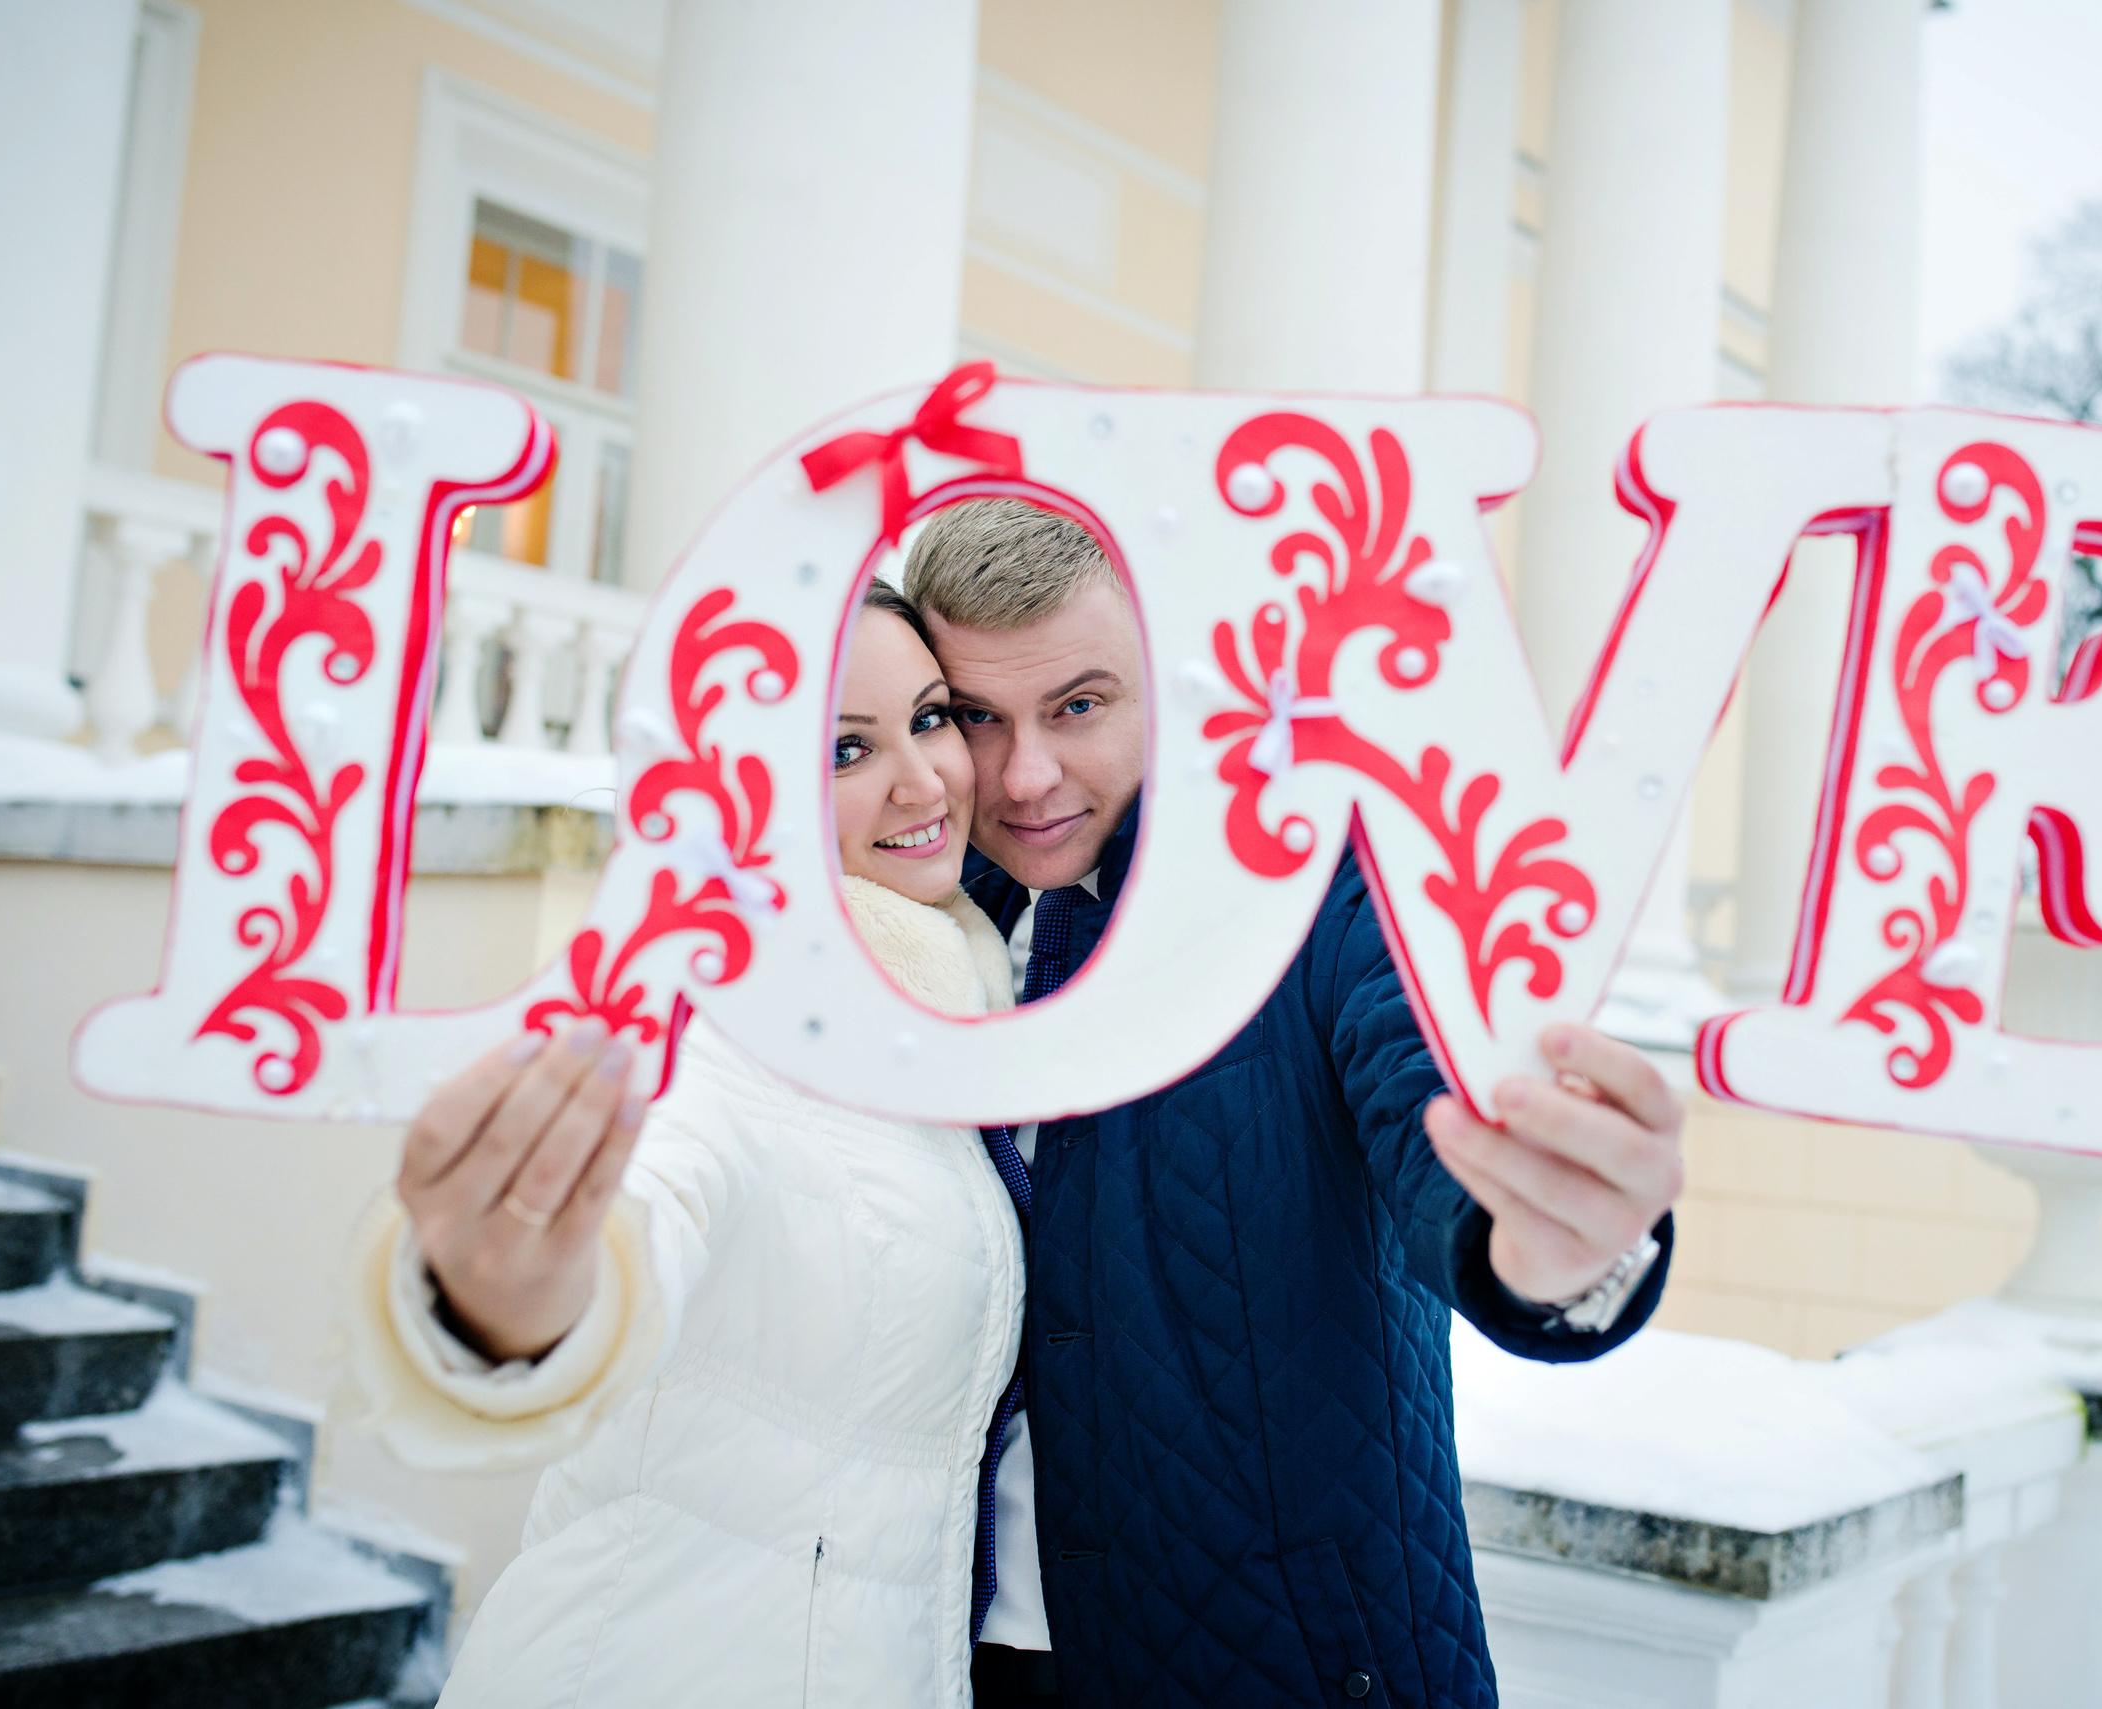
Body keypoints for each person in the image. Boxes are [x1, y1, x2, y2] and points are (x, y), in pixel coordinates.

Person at [901, 499, 1687, 1709]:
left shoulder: (1333, 888)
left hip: (1295, 1662)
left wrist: (1559, 1242)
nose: (1027, 774)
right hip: (954, 1662)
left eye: (1078, 705)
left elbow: (1437, 1110)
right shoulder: (913, 931)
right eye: (976, 718)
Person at [338, 584, 1028, 1707]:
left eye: (934, 716)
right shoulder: (704, 1027)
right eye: (847, 748)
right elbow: (636, 1219)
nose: (924, 779)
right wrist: (507, 1301)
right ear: (737, 794)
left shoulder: (940, 1020)